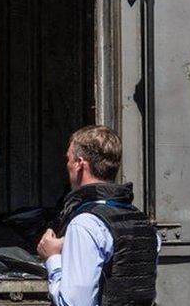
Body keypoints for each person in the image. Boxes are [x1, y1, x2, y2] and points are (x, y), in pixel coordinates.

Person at [37, 125, 160, 306]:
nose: (67, 165)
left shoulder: (85, 224)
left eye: (69, 159)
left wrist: (52, 257)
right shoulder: (143, 223)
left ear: (79, 163)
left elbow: (73, 303)